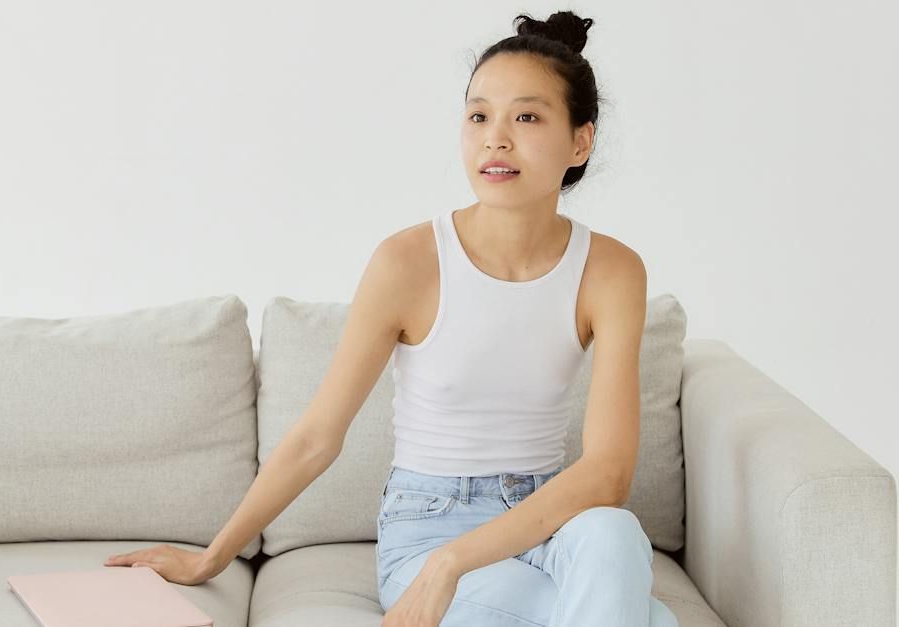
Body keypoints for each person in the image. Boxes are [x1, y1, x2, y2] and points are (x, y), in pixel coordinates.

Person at [105, 9, 679, 627]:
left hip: (544, 520)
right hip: (426, 526)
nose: (496, 138)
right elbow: (314, 439)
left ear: (580, 141)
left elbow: (609, 473)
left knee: (613, 533)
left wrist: (452, 565)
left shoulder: (612, 270)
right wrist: (212, 558)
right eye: (479, 115)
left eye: (528, 116)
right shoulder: (408, 261)